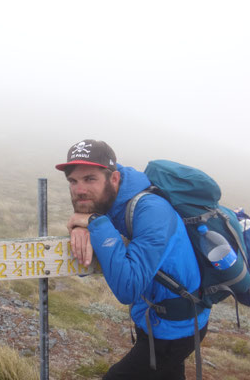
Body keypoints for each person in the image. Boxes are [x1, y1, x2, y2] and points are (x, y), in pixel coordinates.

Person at [55, 139, 210, 380]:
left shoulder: (152, 210)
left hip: (177, 326)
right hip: (152, 317)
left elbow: (128, 288)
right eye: (73, 181)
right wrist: (81, 224)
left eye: (89, 179)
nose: (79, 189)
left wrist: (94, 222)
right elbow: (93, 217)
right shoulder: (111, 199)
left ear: (114, 179)